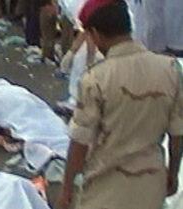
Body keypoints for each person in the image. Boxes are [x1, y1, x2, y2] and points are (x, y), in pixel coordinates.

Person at [58, 1, 183, 209]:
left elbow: (79, 142)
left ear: (96, 34)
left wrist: (67, 188)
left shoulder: (96, 79)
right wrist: (172, 173)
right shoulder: (169, 69)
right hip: (150, 183)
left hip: (106, 186)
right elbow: (177, 132)